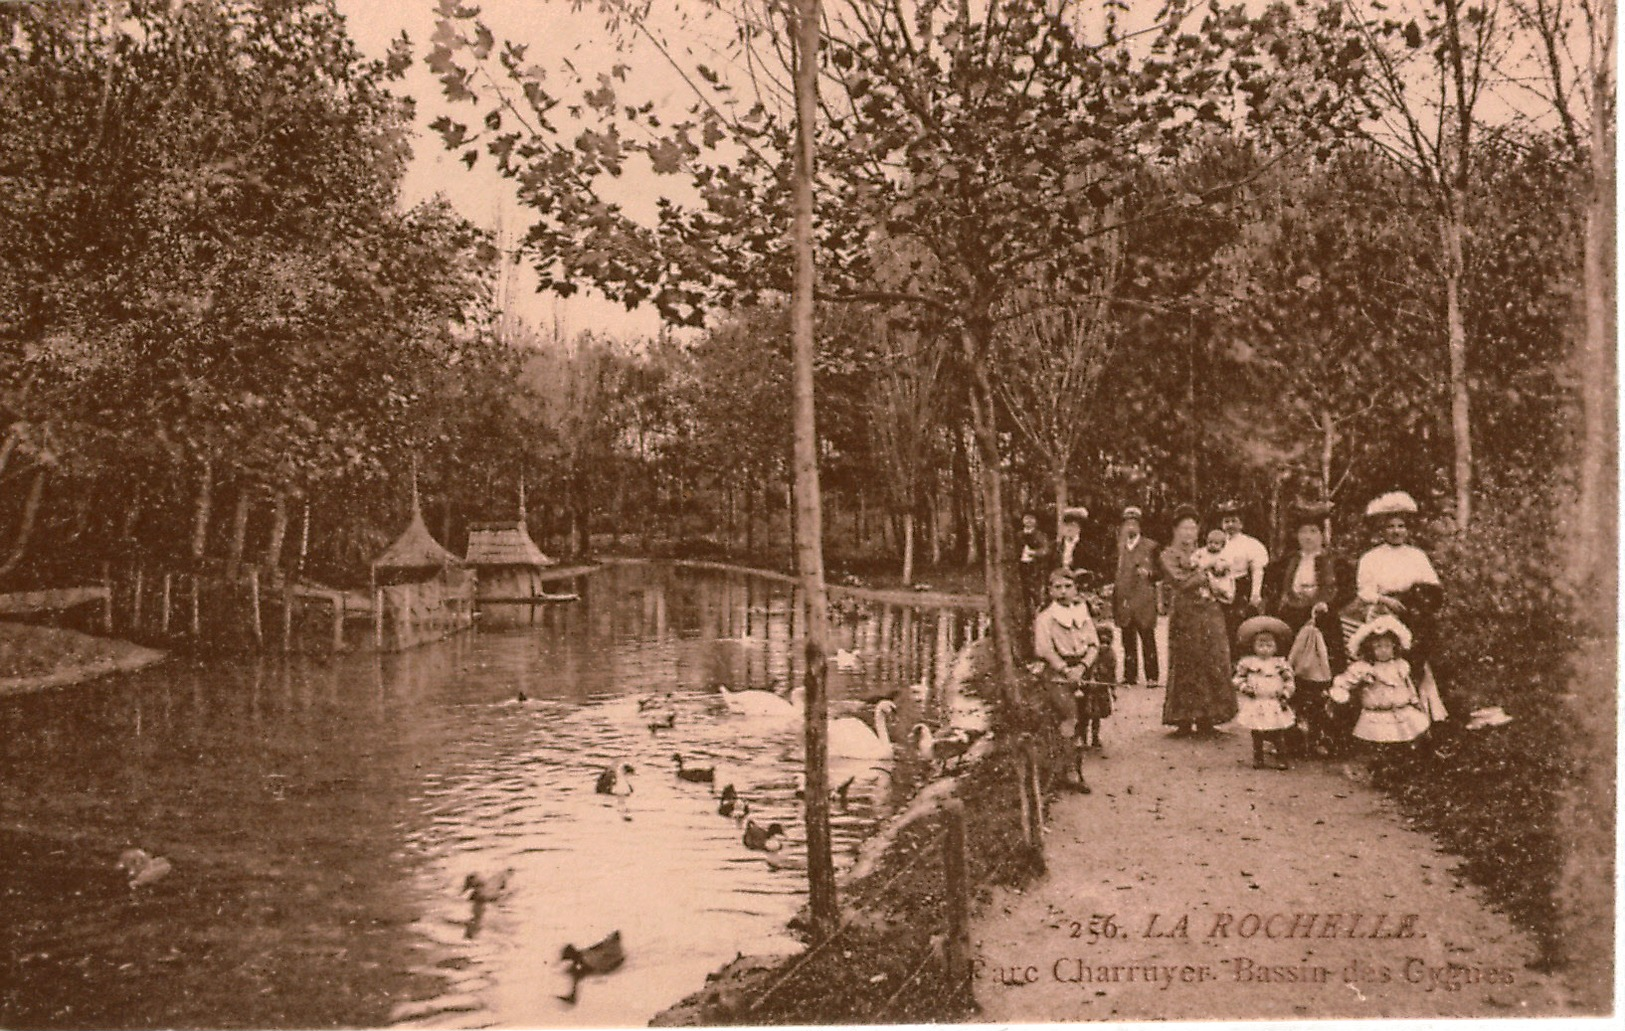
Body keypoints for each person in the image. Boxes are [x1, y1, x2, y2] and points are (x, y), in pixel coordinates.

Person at [1343, 491, 1448, 722]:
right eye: (1391, 526)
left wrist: (1420, 602)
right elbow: (1364, 590)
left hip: (1414, 612)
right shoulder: (1371, 557)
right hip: (1383, 610)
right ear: (1382, 530)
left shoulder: (1417, 555)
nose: (1396, 531)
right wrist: (1385, 600)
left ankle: (1421, 715)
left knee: (1416, 662)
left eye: (1401, 526)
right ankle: (1380, 719)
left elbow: (1433, 585)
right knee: (1383, 663)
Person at [1268, 501, 1347, 756]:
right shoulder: (1288, 561)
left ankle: (1323, 734)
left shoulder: (1334, 561)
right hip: (1293, 621)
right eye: (1304, 532)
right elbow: (1271, 586)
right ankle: (1290, 734)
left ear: (1322, 535)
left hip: (1323, 623)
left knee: (1322, 676)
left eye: (1314, 532)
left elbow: (1345, 590)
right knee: (1292, 675)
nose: (1308, 537)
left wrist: (1327, 603)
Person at [1159, 507, 1237, 735]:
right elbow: (1180, 581)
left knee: (1212, 658)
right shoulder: (1168, 554)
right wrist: (1207, 573)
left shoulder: (1205, 551)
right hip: (1185, 614)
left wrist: (1214, 571)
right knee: (1187, 661)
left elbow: (1226, 572)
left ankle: (1208, 717)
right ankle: (1183, 718)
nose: (1189, 533)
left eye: (1193, 528)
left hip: (1210, 612)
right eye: (1184, 528)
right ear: (1175, 530)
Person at [1329, 614, 1432, 762]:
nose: (1383, 650)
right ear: (1370, 649)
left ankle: (1398, 768)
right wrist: (1341, 691)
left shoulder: (1400, 665)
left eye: (1387, 646)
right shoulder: (1365, 668)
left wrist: (1415, 701)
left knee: (1403, 742)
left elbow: (1408, 685)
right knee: (1380, 745)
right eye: (1378, 646)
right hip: (1377, 714)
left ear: (1394, 647)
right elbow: (1347, 681)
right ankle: (1380, 769)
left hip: (1400, 711)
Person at [1033, 568, 1099, 793]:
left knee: (1083, 719)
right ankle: (1068, 771)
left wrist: (1082, 667)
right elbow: (1044, 649)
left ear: (1075, 589)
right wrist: (1065, 670)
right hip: (1058, 674)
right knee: (1068, 719)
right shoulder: (1045, 618)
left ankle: (1073, 767)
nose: (1063, 592)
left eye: (1068, 587)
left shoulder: (1082, 612)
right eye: (1058, 587)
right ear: (1050, 591)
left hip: (1082, 671)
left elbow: (1093, 644)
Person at [1233, 615, 1296, 770]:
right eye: (1260, 645)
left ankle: (1282, 757)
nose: (1265, 649)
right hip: (1257, 702)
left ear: (1275, 647)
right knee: (1257, 733)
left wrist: (1285, 694)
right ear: (1253, 646)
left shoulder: (1279, 664)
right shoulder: (1249, 663)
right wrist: (1244, 687)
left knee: (1277, 732)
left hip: (1273, 701)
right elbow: (1237, 679)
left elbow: (1289, 681)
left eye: (1269, 645)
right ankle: (1258, 757)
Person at [1113, 506, 1160, 686]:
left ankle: (1152, 676)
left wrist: (1150, 574)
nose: (1130, 527)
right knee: (1127, 638)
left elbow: (1161, 572)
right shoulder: (1119, 547)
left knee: (1147, 637)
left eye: (1134, 523)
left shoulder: (1151, 546)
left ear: (1140, 526)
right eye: (1127, 523)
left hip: (1143, 599)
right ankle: (1130, 675)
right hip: (1124, 598)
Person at [1215, 500, 1269, 641]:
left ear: (1241, 524)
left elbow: (1257, 570)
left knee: (1239, 626)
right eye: (1227, 521)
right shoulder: (1216, 543)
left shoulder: (1250, 544)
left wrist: (1255, 594)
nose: (1230, 525)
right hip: (1220, 589)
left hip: (1241, 589)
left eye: (1234, 521)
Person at [1017, 512, 1053, 619]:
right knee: (1023, 593)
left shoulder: (1040, 535)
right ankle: (1027, 615)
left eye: (1032, 519)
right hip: (1021, 566)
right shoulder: (1018, 535)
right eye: (1026, 518)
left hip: (1035, 567)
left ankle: (1040, 615)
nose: (1029, 521)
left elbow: (1046, 550)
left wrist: (1034, 553)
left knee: (1036, 591)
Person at [1056, 508, 1089, 585]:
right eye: (1066, 525)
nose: (1069, 529)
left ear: (1079, 528)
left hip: (1080, 583)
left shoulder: (1087, 547)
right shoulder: (1055, 546)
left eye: (1073, 525)